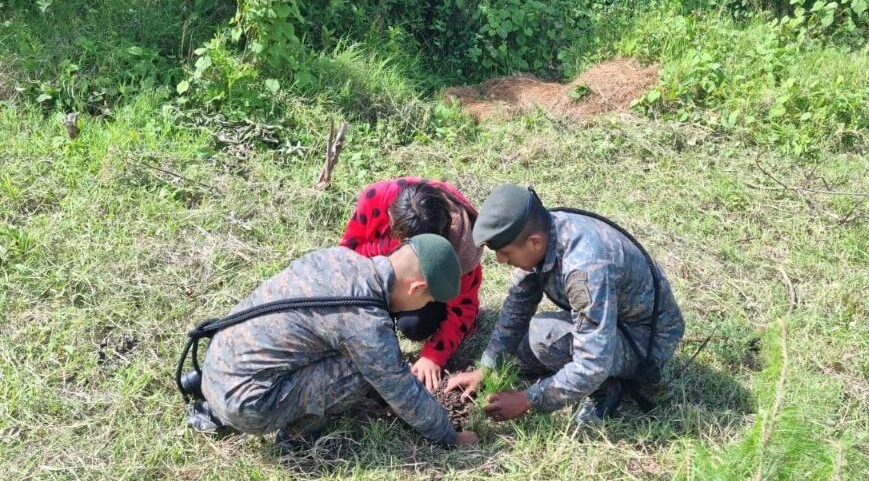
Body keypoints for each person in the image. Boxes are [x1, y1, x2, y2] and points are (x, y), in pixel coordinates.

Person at [196, 234, 478, 449]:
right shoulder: (365, 321)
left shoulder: (338, 258)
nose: (421, 308)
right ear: (416, 288)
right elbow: (400, 391)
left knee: (358, 355)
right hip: (248, 403)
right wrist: (449, 436)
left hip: (216, 366)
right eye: (427, 301)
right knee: (363, 370)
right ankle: (296, 436)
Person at [445, 184, 685, 424]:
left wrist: (528, 399)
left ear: (535, 242)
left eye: (505, 252)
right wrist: (486, 367)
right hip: (616, 322)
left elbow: (592, 363)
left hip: (645, 342)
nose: (500, 260)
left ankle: (605, 389)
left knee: (545, 338)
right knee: (523, 347)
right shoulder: (543, 234)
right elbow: (517, 306)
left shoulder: (585, 267)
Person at [340, 177, 483, 392]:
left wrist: (433, 356)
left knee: (415, 325)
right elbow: (346, 256)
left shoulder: (461, 249)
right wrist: (386, 255)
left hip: (418, 292)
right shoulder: (377, 198)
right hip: (380, 272)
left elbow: (463, 309)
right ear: (391, 216)